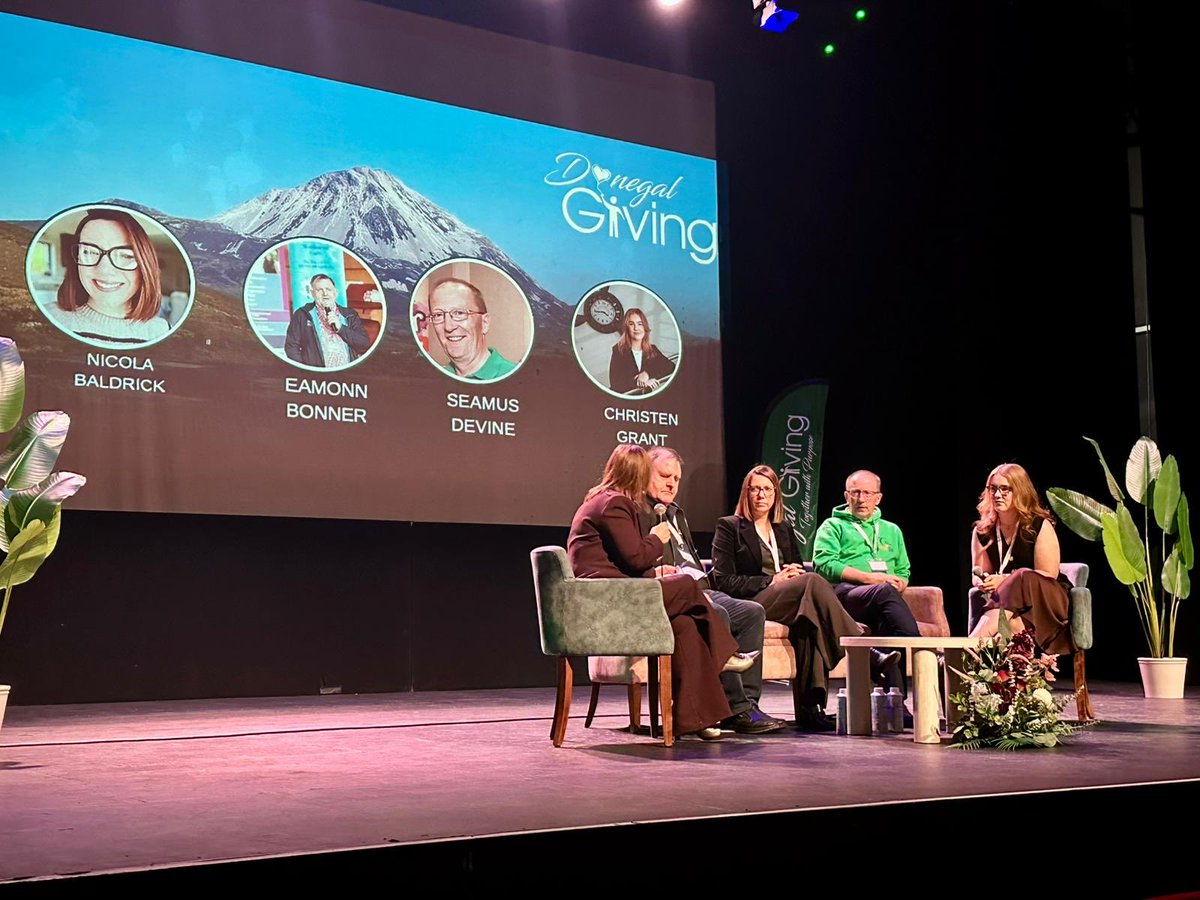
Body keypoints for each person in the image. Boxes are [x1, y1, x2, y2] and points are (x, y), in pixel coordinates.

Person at [568, 444, 750, 741]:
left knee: (684, 625)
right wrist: (656, 537)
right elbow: (637, 557)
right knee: (688, 585)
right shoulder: (614, 503)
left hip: (611, 594)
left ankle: (695, 717)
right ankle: (724, 652)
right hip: (607, 601)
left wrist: (656, 573)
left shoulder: (603, 500)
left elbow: (621, 563)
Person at [712, 465, 898, 731]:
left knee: (810, 618)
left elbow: (797, 567)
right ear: (746, 493)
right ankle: (864, 650)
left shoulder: (783, 528)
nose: (761, 495)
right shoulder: (729, 526)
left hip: (786, 600)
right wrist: (772, 579)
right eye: (755, 489)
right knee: (812, 581)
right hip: (751, 602)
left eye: (767, 489)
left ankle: (811, 709)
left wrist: (791, 573)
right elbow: (723, 580)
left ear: (776, 494)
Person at [641, 448, 786, 735]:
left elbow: (689, 559)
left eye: (677, 478)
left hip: (701, 587)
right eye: (665, 476)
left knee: (751, 611)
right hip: (674, 592)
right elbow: (639, 557)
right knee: (717, 613)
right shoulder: (640, 511)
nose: (672, 484)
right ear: (645, 474)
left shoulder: (676, 513)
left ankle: (748, 705)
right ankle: (735, 707)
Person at [967, 463, 1073, 654]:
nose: (997, 495)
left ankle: (970, 644)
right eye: (993, 489)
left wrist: (1007, 579)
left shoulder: (1038, 525)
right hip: (1010, 608)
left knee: (1023, 575)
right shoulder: (982, 531)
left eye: (1005, 489)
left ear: (1020, 491)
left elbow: (1048, 574)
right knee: (1012, 628)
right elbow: (978, 571)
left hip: (1045, 601)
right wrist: (982, 581)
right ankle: (995, 677)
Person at [51, 208, 169, 346]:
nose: (105, 270)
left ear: (145, 267)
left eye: (126, 255)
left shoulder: (160, 331)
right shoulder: (50, 317)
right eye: (90, 252)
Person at [427, 278, 516, 380]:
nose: (448, 327)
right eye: (438, 315)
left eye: (459, 313)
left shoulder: (515, 379)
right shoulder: (433, 381)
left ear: (484, 323)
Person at [284, 273, 372, 368]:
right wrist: (304, 371)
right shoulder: (302, 314)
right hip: (316, 377)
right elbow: (291, 346)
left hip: (346, 376)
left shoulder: (349, 315)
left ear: (335, 292)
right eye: (319, 290)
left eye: (328, 289)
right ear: (312, 293)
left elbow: (363, 343)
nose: (325, 293)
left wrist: (341, 329)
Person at [608, 308, 675, 395]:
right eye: (631, 324)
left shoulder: (652, 350)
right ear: (627, 328)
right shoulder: (618, 351)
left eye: (640, 324)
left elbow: (670, 366)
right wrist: (641, 383)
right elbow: (616, 384)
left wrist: (647, 373)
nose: (636, 328)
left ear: (645, 327)